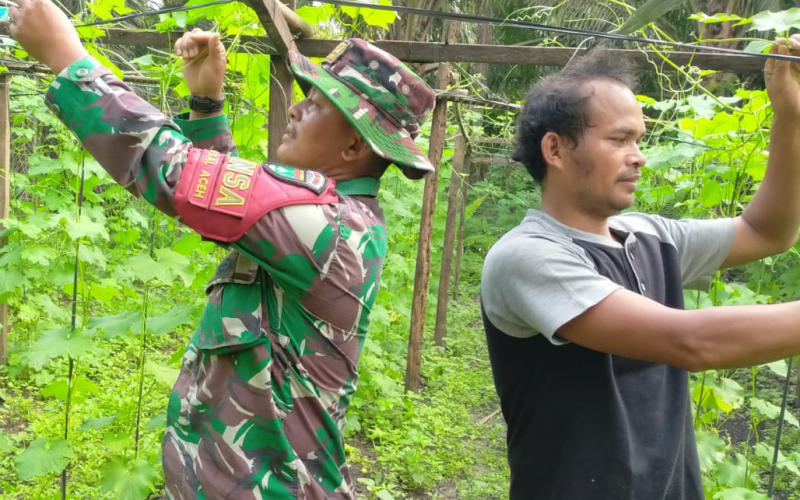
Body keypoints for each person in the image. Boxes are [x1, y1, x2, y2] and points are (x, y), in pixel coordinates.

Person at [9, 1, 436, 498]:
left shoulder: (328, 224)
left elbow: (176, 174)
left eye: (317, 104)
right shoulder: (333, 219)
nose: (296, 107)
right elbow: (234, 207)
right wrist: (208, 105)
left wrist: (68, 58)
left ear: (353, 149)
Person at [481, 45, 800, 500]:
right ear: (554, 148)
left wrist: (789, 115)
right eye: (619, 139)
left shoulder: (650, 236)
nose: (639, 157)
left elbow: (766, 231)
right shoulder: (526, 258)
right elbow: (688, 341)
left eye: (639, 141)